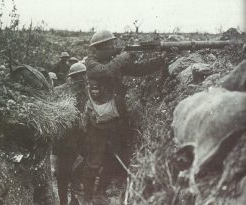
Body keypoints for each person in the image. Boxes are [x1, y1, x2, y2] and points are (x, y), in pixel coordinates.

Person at [82, 30, 175, 204]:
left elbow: (139, 70)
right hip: (97, 120)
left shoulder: (116, 61)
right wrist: (124, 56)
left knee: (113, 157)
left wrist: (161, 59)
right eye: (109, 45)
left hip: (116, 117)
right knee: (94, 160)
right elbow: (106, 71)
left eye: (113, 44)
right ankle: (87, 198)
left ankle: (100, 193)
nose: (113, 47)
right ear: (99, 48)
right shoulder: (91, 63)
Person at [53, 62, 88, 205]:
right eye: (78, 77)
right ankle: (64, 201)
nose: (81, 79)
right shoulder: (63, 92)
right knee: (64, 175)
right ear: (73, 78)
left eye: (82, 76)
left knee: (74, 174)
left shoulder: (87, 91)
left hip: (78, 141)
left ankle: (72, 201)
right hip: (66, 141)